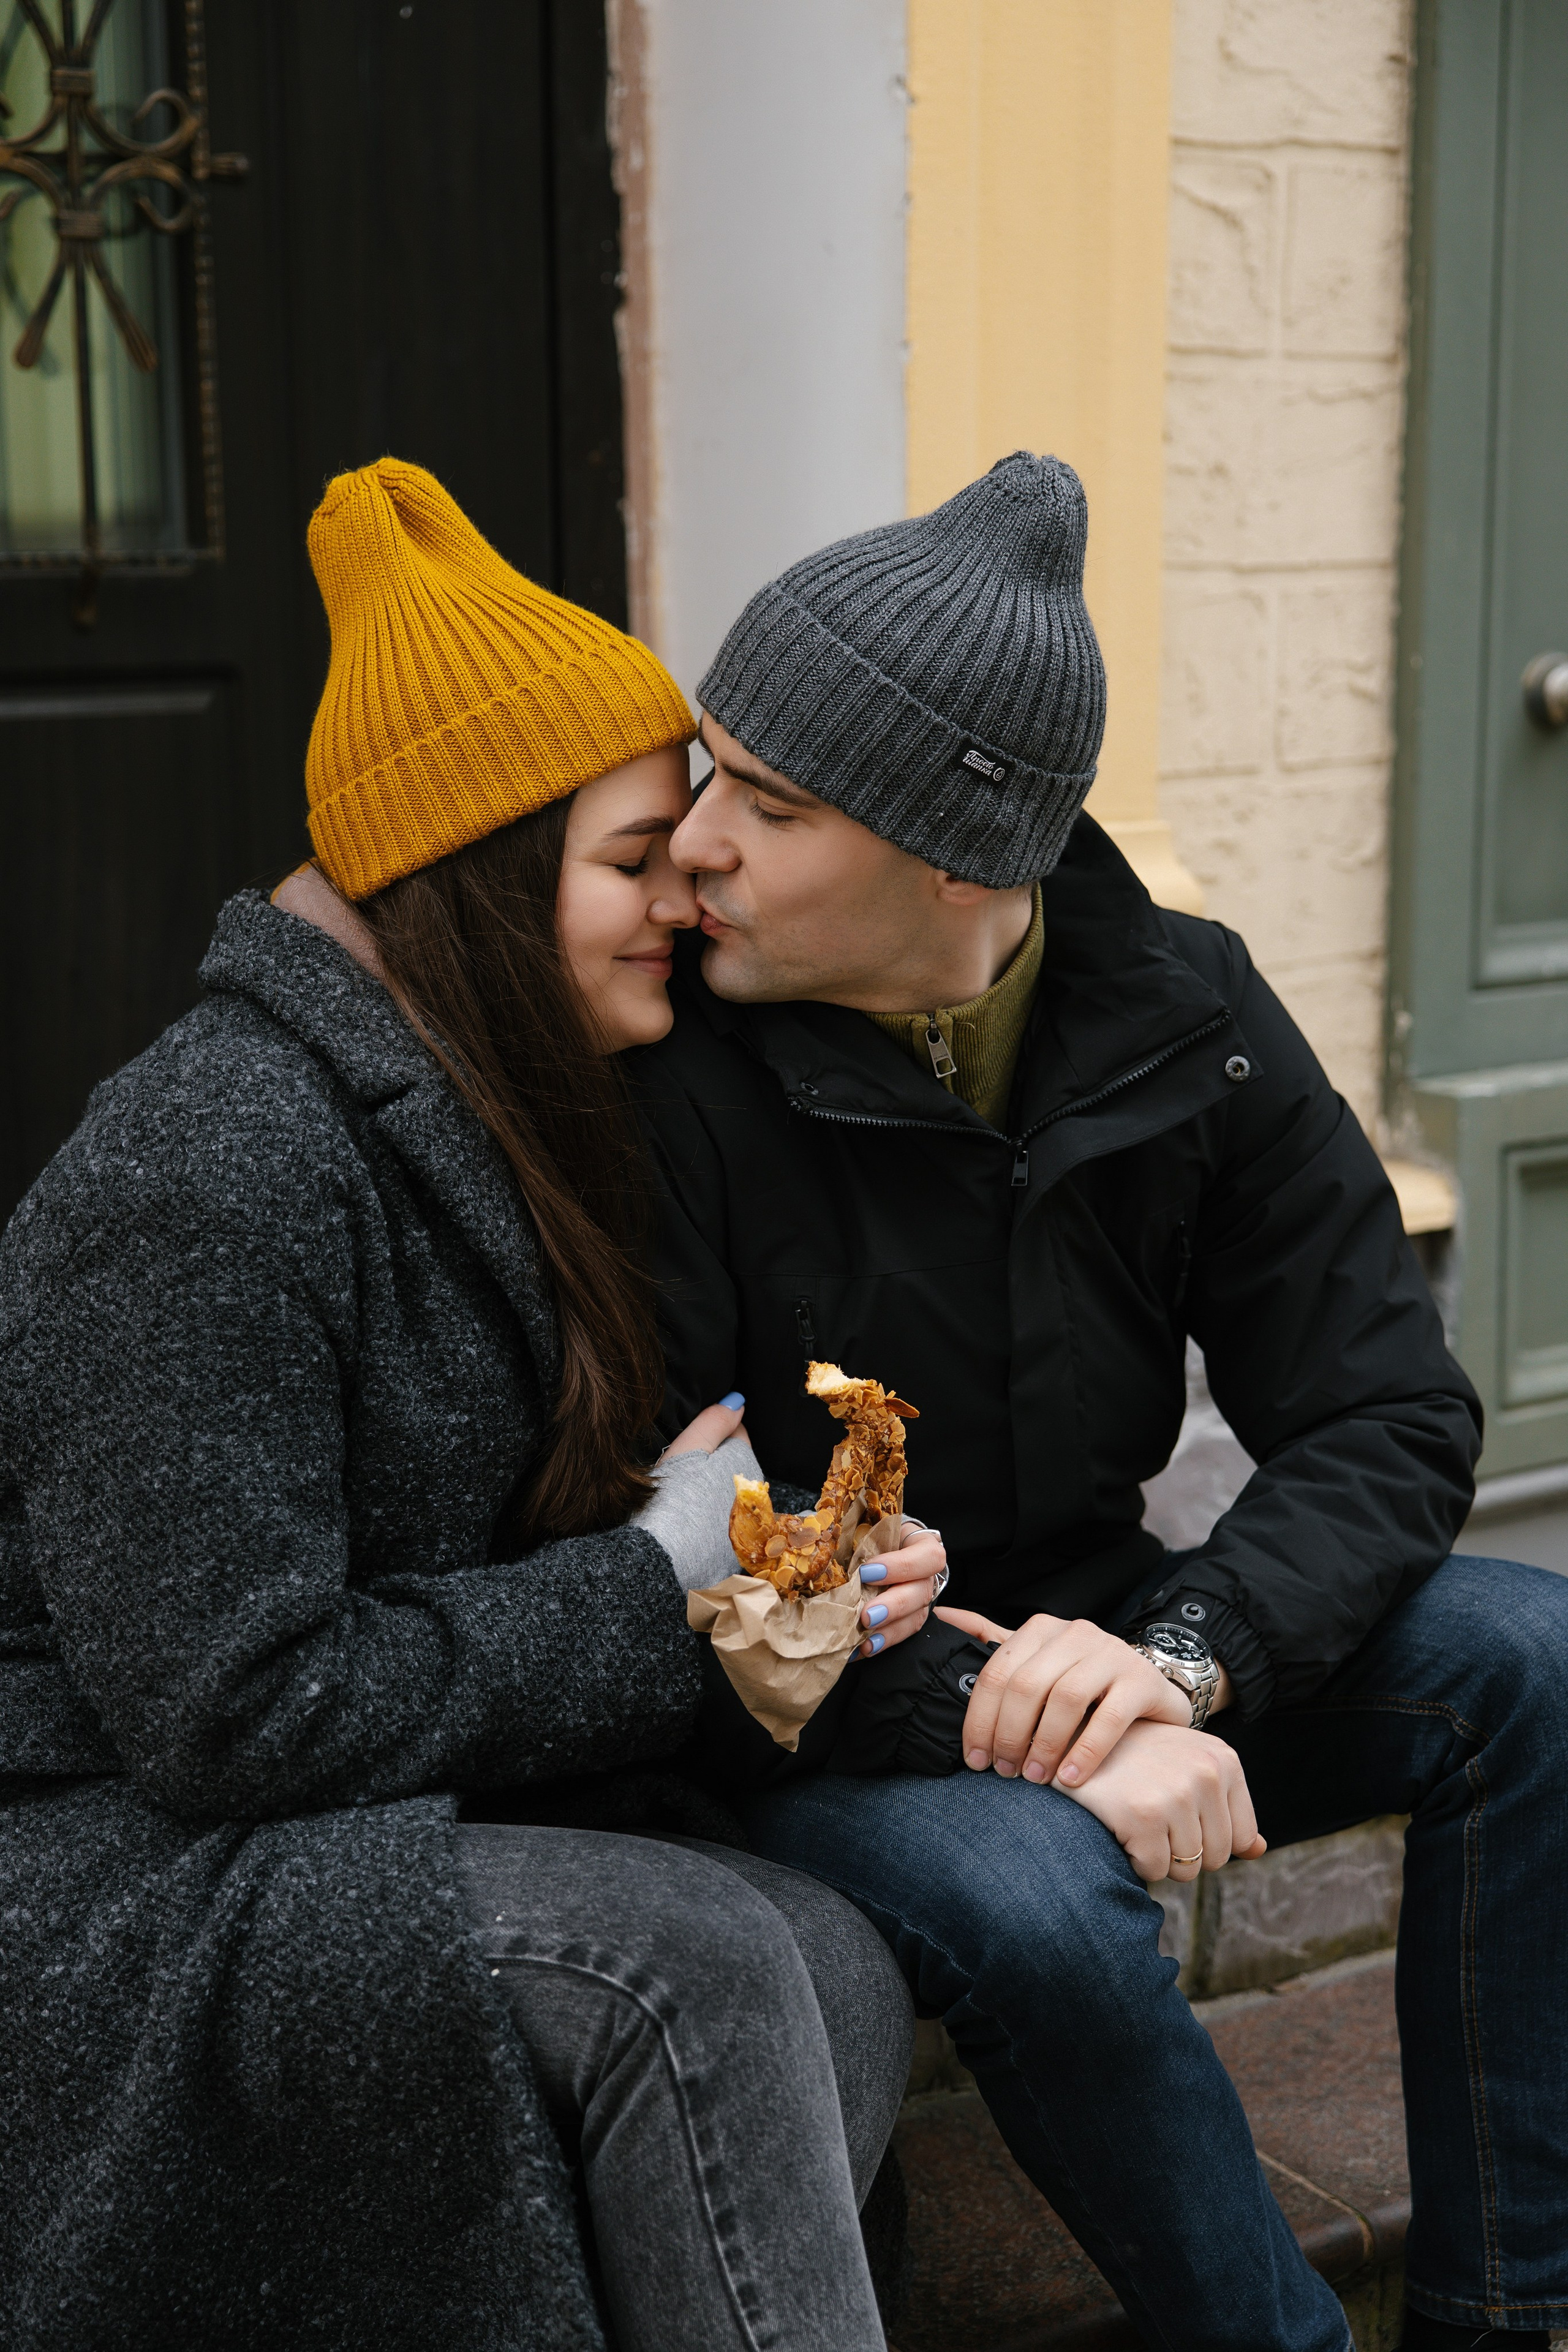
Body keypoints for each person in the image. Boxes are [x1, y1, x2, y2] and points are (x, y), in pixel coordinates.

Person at [0, 459, 942, 2352]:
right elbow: (229, 1706)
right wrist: (650, 1588)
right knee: (695, 1973)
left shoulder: (471, 1115)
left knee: (830, 1959)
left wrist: (764, 1597)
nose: (690, 888)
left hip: (328, 1817)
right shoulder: (205, 1163)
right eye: (631, 858)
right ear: (478, 873)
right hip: (118, 1872)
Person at [634, 451, 1568, 2352]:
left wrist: (1190, 1658)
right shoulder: (670, 1065)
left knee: (1537, 1662)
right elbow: (661, 1533)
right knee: (1047, 1900)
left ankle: (1506, 2316)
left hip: (1095, 1626)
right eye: (708, 768)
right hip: (795, 1714)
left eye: (770, 801)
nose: (691, 843)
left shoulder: (1186, 1013)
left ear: (966, 862)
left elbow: (1390, 1413)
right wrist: (1011, 1707)